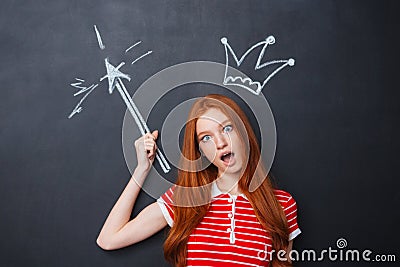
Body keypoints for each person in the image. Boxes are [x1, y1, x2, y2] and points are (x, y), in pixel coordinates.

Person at [97, 94, 301, 267]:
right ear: (201, 151)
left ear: (243, 132)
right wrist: (142, 169)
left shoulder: (282, 205)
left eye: (227, 128)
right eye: (206, 138)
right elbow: (109, 239)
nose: (220, 143)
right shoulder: (186, 197)